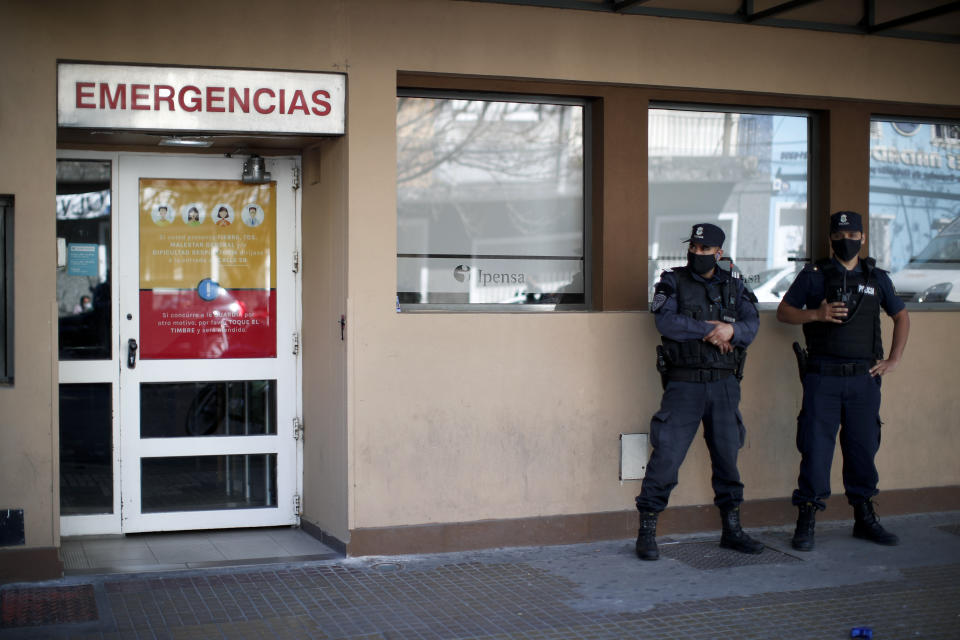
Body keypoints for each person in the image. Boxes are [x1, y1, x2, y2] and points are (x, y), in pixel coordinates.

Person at [776, 211, 909, 551]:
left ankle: (864, 518)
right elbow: (784, 312)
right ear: (831, 239)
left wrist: (893, 360)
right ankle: (806, 520)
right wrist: (816, 314)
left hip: (864, 380)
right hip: (823, 379)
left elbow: (901, 315)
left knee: (863, 450)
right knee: (816, 451)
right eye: (839, 235)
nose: (846, 240)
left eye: (852, 234)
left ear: (863, 238)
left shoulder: (876, 277)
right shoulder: (815, 275)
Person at [635, 223, 763, 561]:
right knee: (667, 456)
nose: (697, 253)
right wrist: (710, 329)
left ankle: (731, 530)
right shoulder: (673, 281)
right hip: (685, 384)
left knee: (727, 458)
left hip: (724, 385)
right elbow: (666, 322)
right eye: (693, 247)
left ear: (718, 253)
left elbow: (752, 326)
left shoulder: (734, 287)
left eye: (705, 250)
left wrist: (732, 330)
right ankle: (647, 530)